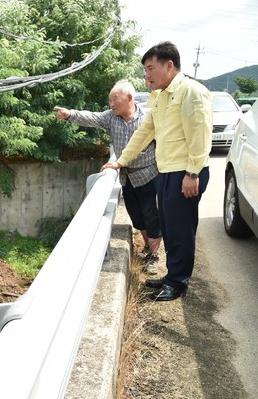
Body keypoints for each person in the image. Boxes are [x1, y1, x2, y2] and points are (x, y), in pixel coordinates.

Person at [102, 41, 212, 301]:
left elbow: (200, 136)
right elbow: (144, 132)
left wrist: (193, 174)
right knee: (170, 227)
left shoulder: (191, 92)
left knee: (181, 229)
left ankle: (178, 282)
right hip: (166, 172)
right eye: (145, 70)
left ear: (169, 65)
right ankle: (173, 275)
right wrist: (121, 160)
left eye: (150, 68)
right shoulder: (160, 96)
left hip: (186, 174)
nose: (146, 75)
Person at [54, 79, 162, 274]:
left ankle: (154, 256)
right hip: (127, 178)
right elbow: (91, 117)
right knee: (137, 218)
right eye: (110, 99)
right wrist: (70, 114)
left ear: (129, 97)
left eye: (115, 98)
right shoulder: (111, 118)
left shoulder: (149, 116)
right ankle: (148, 247)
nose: (111, 103)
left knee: (151, 216)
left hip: (149, 175)